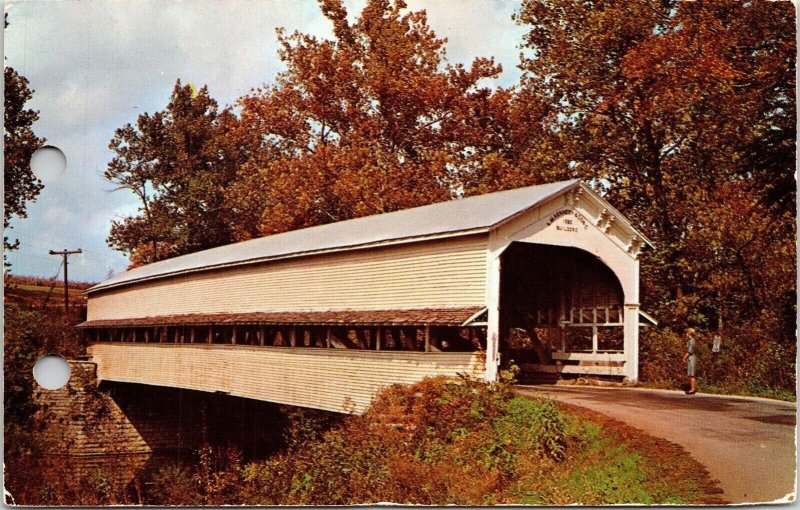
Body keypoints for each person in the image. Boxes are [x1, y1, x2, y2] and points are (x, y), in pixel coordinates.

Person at [682, 328, 697, 395]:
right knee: (690, 374)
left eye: (687, 333)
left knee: (692, 374)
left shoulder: (692, 341)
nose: (686, 334)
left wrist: (684, 358)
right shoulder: (689, 341)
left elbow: (690, 351)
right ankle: (692, 388)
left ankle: (692, 389)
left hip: (692, 358)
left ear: (689, 333)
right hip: (690, 358)